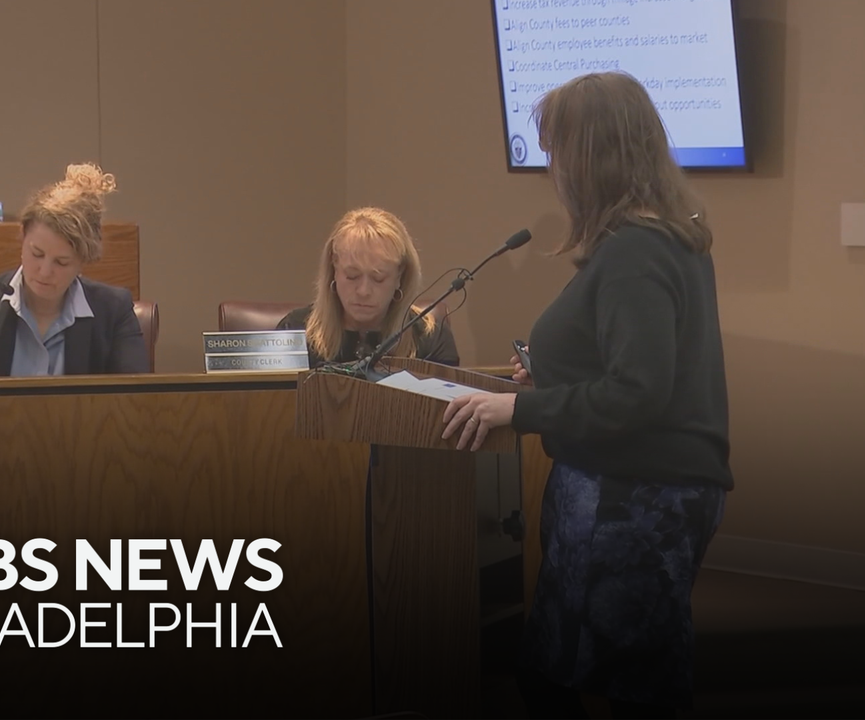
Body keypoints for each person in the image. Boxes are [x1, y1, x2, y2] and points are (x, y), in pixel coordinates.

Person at [441, 72, 731, 718]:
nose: (554, 170)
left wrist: (519, 408)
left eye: (558, 152)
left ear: (592, 157)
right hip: (647, 491)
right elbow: (639, 366)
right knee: (558, 674)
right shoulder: (671, 239)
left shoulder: (634, 252)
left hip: (629, 499)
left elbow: (639, 392)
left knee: (627, 690)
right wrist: (552, 376)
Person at [0, 163, 147, 378]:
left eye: (61, 262)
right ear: (23, 236)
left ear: (83, 261)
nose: (44, 272)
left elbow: (134, 396)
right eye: (37, 254)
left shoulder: (113, 311)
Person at [277, 207, 459, 368]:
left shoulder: (431, 338)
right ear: (334, 268)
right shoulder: (293, 331)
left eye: (378, 279)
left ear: (400, 276)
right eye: (352, 276)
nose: (363, 291)